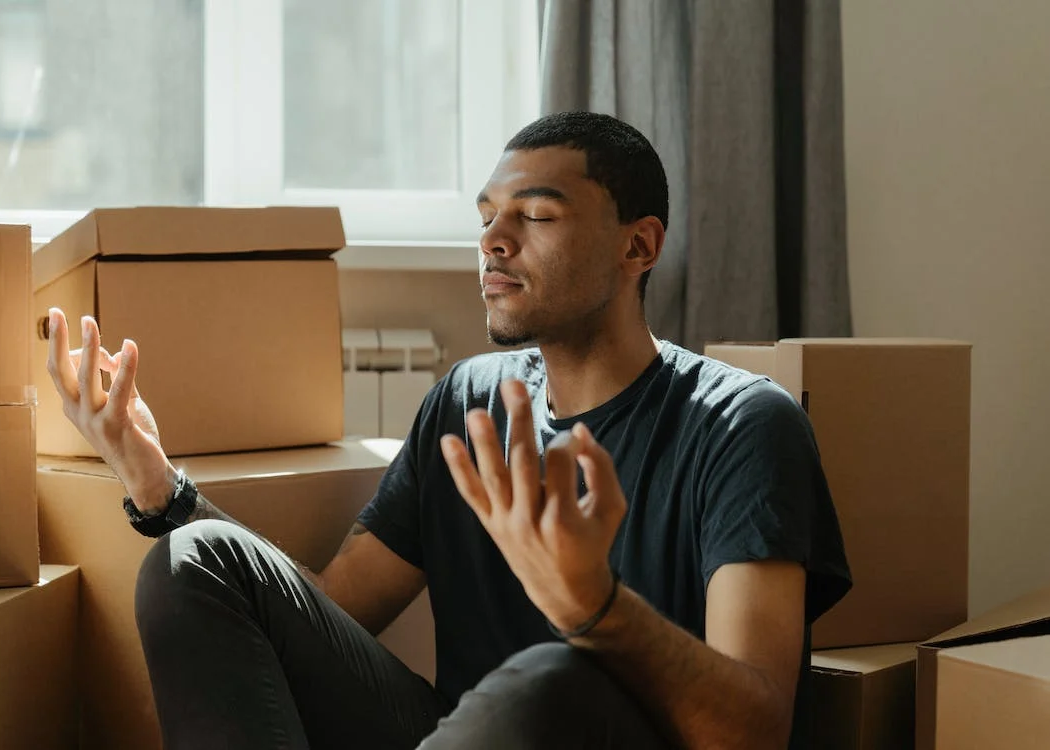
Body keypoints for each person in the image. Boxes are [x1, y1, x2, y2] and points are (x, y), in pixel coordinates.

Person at [46, 111, 850, 750]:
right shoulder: (469, 401)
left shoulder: (741, 424)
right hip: (456, 736)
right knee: (195, 560)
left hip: (591, 731)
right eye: (486, 216)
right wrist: (156, 482)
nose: (494, 241)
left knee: (553, 680)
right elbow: (330, 611)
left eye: (534, 215)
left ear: (636, 245)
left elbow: (753, 732)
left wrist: (593, 608)